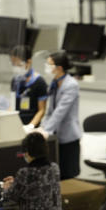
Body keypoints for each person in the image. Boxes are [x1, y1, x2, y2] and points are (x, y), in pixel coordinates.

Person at [40, 51, 82, 180]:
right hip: (55, 137)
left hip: (68, 137)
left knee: (67, 174)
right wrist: (42, 128)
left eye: (49, 64)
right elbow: (50, 111)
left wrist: (46, 130)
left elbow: (60, 112)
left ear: (59, 68)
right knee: (54, 174)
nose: (47, 67)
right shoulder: (54, 83)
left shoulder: (71, 85)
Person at [9, 44, 47, 128]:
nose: (16, 68)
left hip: (31, 125)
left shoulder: (39, 82)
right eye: (14, 65)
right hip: (15, 123)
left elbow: (41, 110)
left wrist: (31, 126)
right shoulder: (15, 80)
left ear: (29, 62)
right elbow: (11, 105)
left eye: (19, 65)